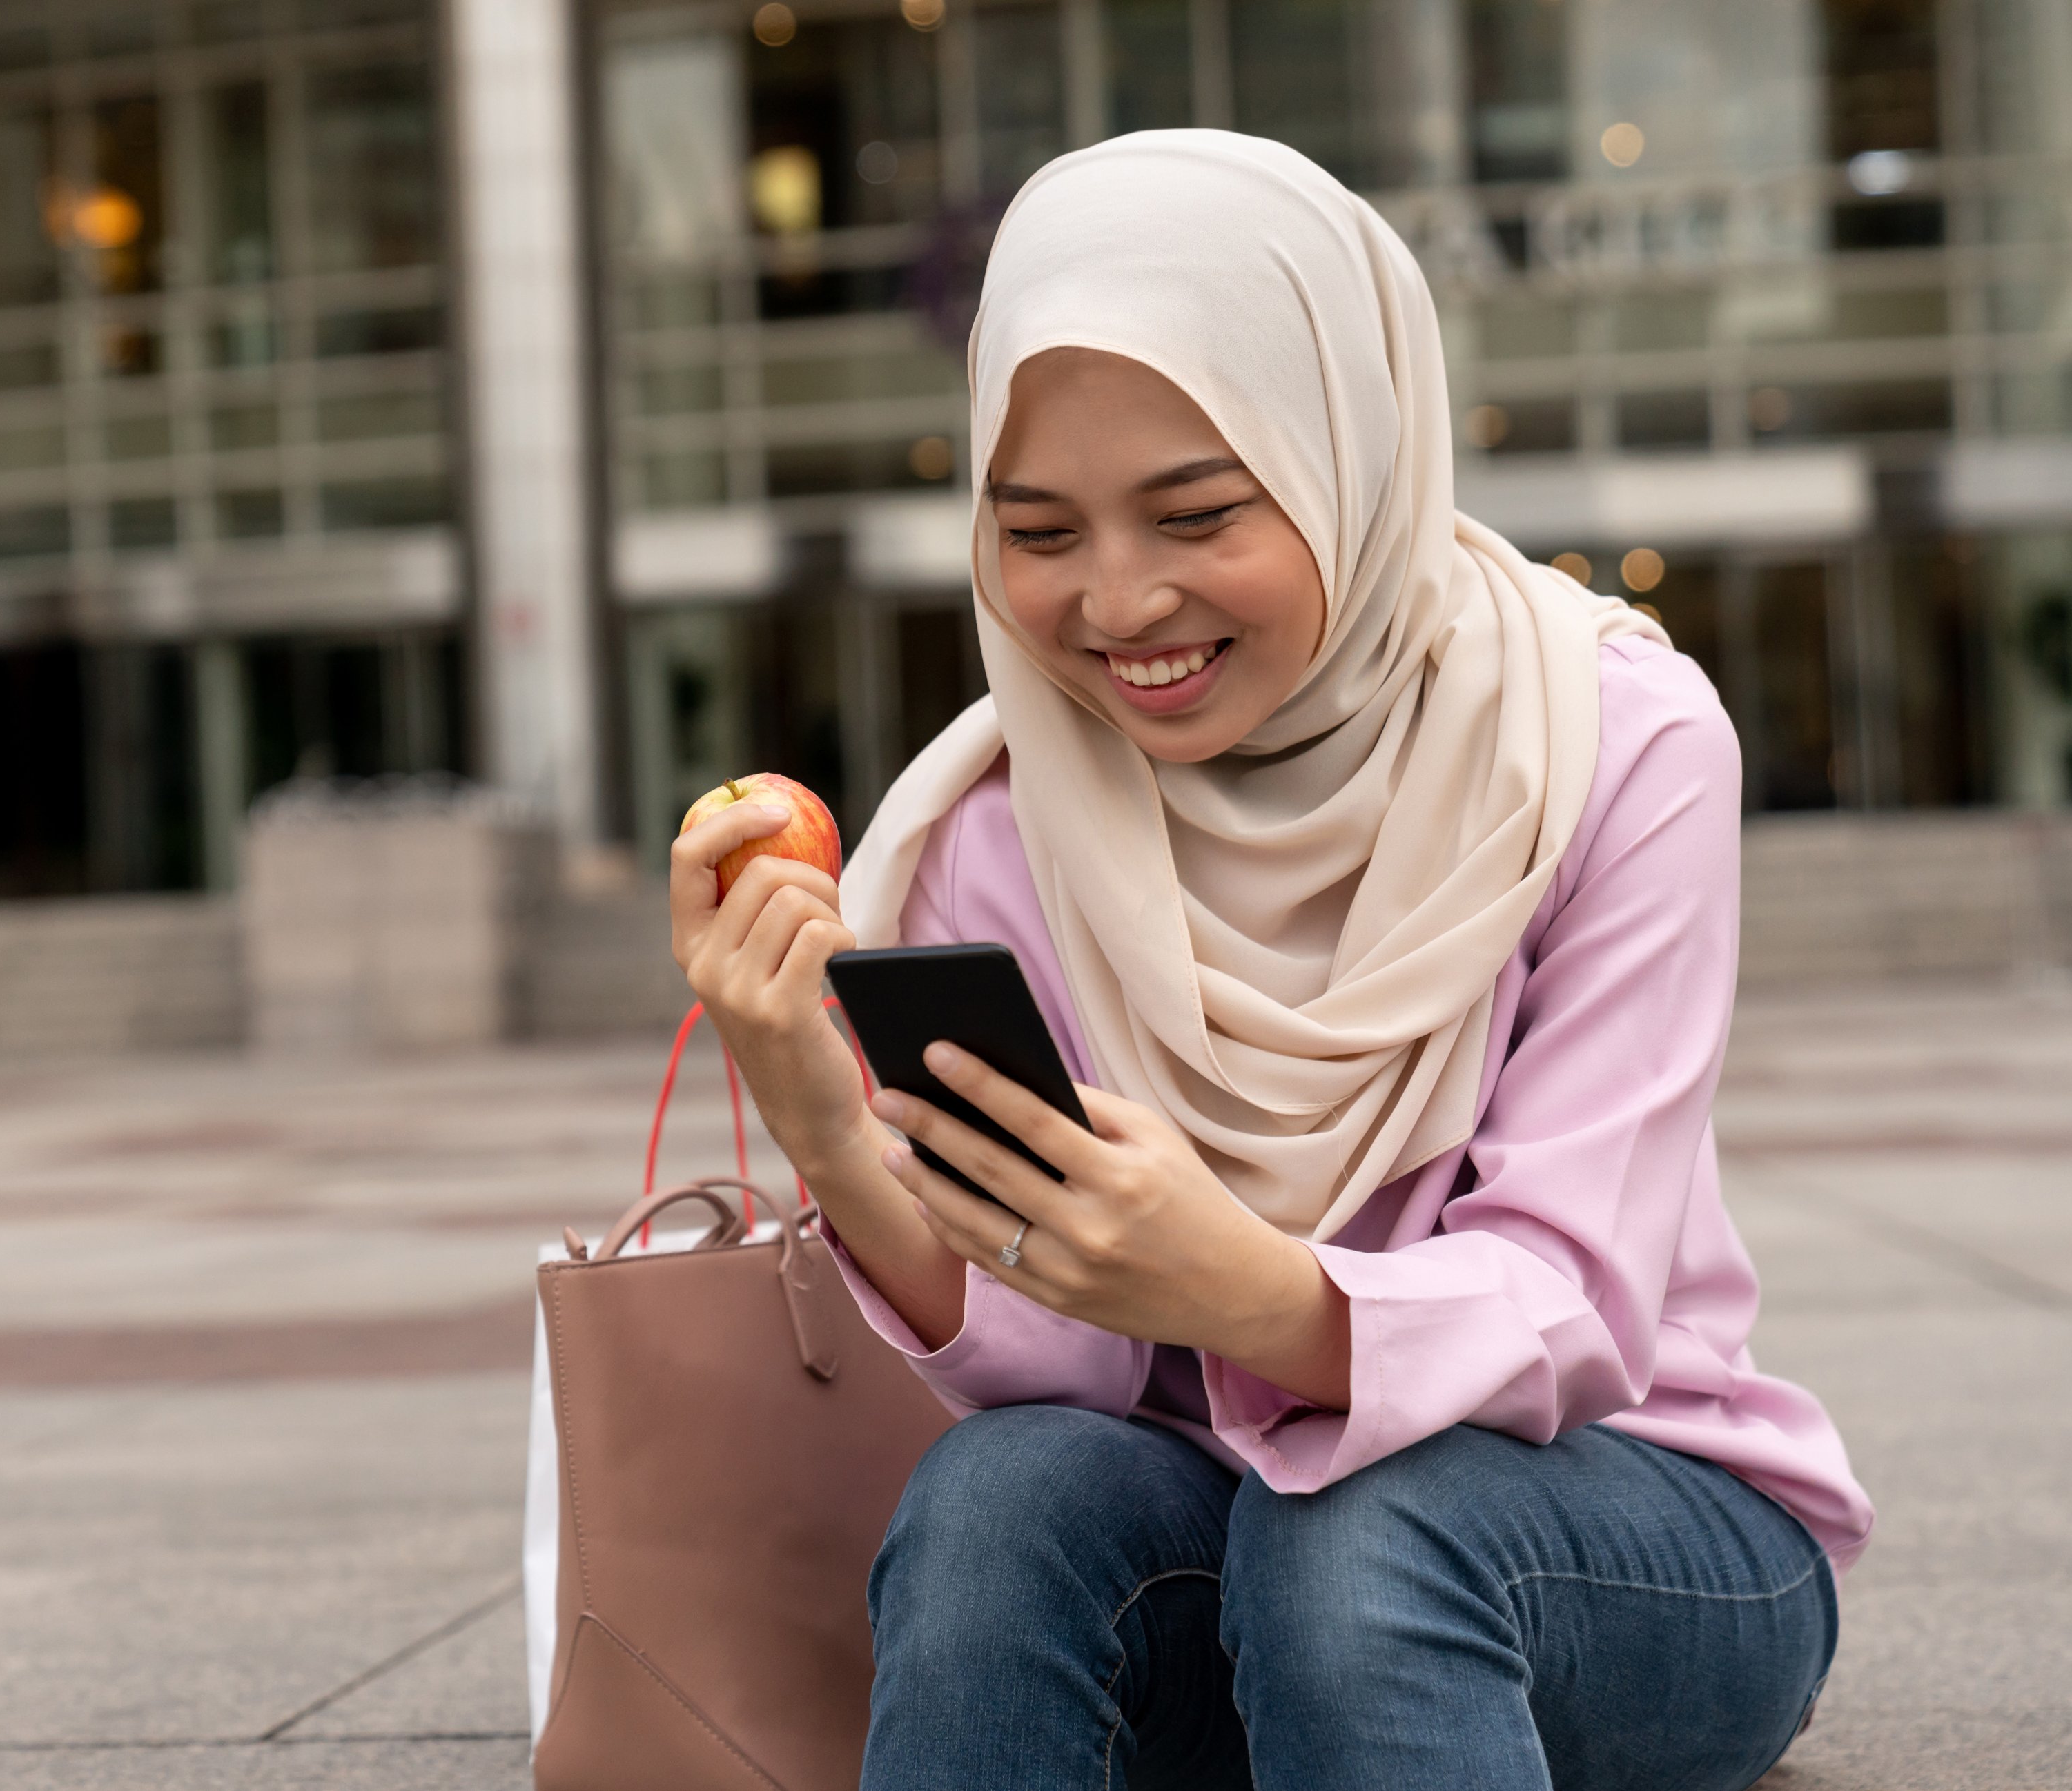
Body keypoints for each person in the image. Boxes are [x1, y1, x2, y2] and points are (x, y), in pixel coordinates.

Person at [667, 132, 1870, 1791]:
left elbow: (1574, 1296)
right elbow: (1066, 1364)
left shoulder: (1610, 739)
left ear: (1341, 455)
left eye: (1197, 510)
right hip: (1220, 1542)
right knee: (996, 1498)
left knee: (1363, 1541)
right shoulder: (995, 823)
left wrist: (1241, 1283)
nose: (1117, 600)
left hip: (1632, 1520)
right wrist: (824, 1118)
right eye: (1040, 528)